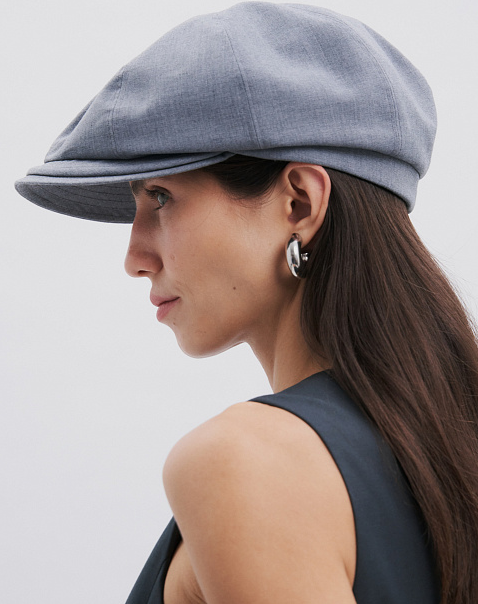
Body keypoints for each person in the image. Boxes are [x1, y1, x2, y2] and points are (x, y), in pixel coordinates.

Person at [14, 3, 478, 603]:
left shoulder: (246, 462)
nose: (134, 258)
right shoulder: (447, 440)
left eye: (161, 197)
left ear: (299, 204)